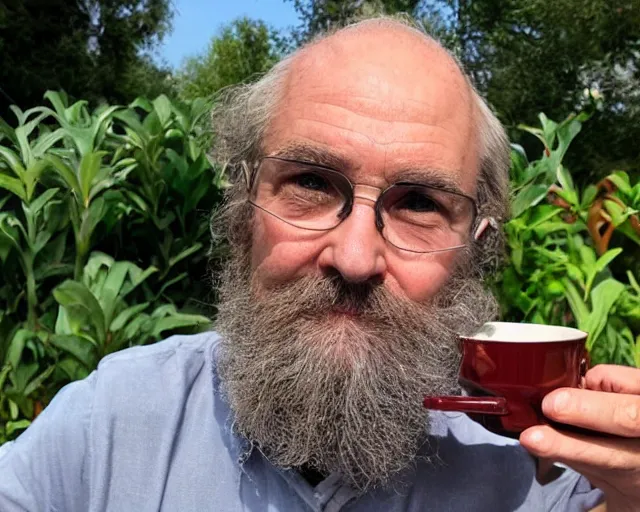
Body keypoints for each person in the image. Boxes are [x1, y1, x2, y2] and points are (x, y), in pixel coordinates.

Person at [0, 16, 638, 512]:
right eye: (310, 183)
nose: (356, 258)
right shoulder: (109, 432)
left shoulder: (541, 476)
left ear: (476, 242)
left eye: (419, 202)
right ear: (242, 205)